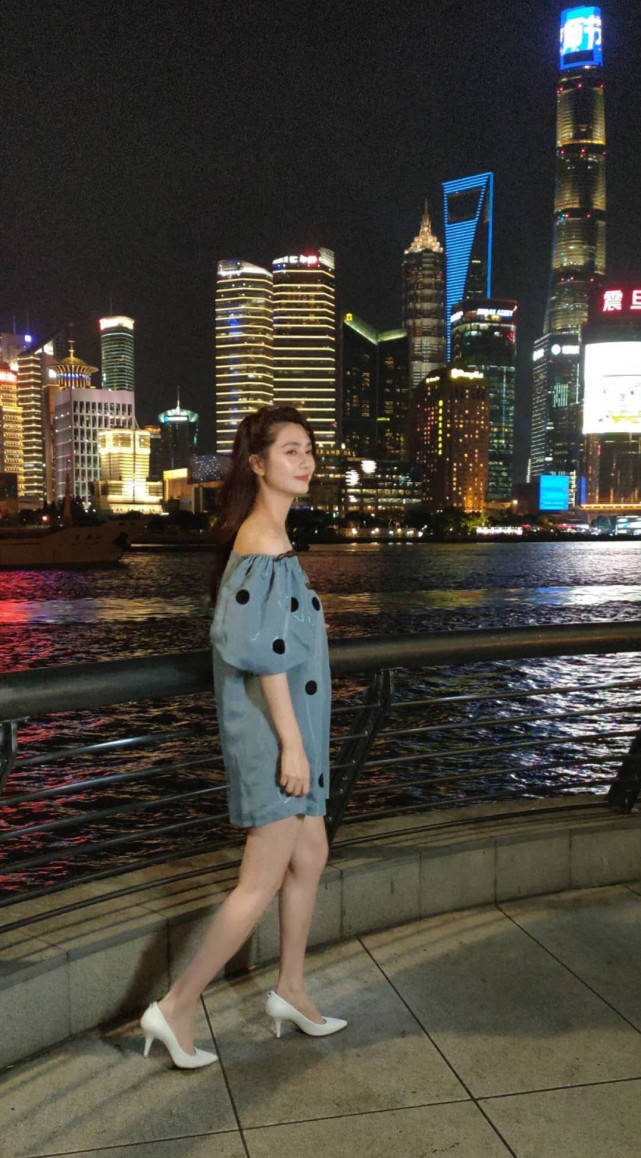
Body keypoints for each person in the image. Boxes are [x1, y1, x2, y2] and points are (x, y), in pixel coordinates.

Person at [140, 404, 347, 1068]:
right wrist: (292, 746)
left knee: (309, 855)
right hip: (274, 736)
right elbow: (263, 655)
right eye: (290, 450)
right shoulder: (260, 542)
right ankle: (175, 1007)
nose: (305, 461)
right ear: (256, 464)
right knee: (258, 881)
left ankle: (290, 989)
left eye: (308, 449)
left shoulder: (273, 538)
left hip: (294, 731)